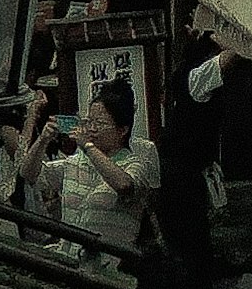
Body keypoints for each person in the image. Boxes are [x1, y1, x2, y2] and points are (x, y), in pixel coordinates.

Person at [28, 72, 161, 265]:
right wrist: (42, 140)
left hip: (110, 268)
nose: (91, 128)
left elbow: (124, 185)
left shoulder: (134, 164)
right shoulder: (75, 162)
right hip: (67, 262)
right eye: (89, 121)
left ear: (122, 130)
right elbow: (29, 174)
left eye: (99, 123)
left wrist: (88, 147)